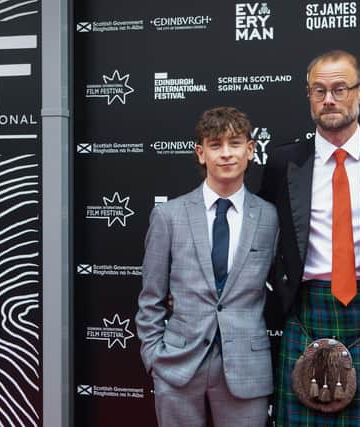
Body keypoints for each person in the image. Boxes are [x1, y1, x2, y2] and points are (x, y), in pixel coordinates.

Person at [259, 50, 360, 426]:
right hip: (307, 310)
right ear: (309, 96)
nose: (328, 99)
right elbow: (262, 228)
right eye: (319, 91)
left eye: (339, 89)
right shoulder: (285, 161)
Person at [135, 106, 278, 427]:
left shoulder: (270, 217)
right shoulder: (169, 216)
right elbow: (150, 297)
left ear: (251, 150)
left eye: (235, 143)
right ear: (201, 154)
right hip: (177, 367)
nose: (226, 154)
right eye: (215, 145)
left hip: (246, 368)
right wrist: (154, 359)